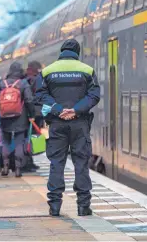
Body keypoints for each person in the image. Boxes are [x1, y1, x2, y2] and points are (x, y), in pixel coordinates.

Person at [35, 39, 100, 217]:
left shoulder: (48, 71)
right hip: (80, 124)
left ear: (61, 51)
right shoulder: (87, 70)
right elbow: (94, 95)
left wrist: (58, 110)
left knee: (56, 163)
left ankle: (55, 206)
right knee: (81, 163)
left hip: (57, 123)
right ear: (77, 52)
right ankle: (83, 206)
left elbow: (40, 96)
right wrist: (76, 110)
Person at [0, 62, 35, 178]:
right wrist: (31, 115)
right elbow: (29, 100)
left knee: (6, 142)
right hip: (20, 118)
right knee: (19, 143)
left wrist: (3, 109)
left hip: (5, 117)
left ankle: (5, 167)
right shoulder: (23, 83)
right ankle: (17, 169)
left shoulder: (3, 83)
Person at [23, 60, 43, 172]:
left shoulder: (24, 79)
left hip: (26, 113)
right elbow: (39, 96)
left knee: (27, 137)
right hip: (36, 112)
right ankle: (28, 162)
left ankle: (27, 161)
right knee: (31, 138)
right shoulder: (38, 79)